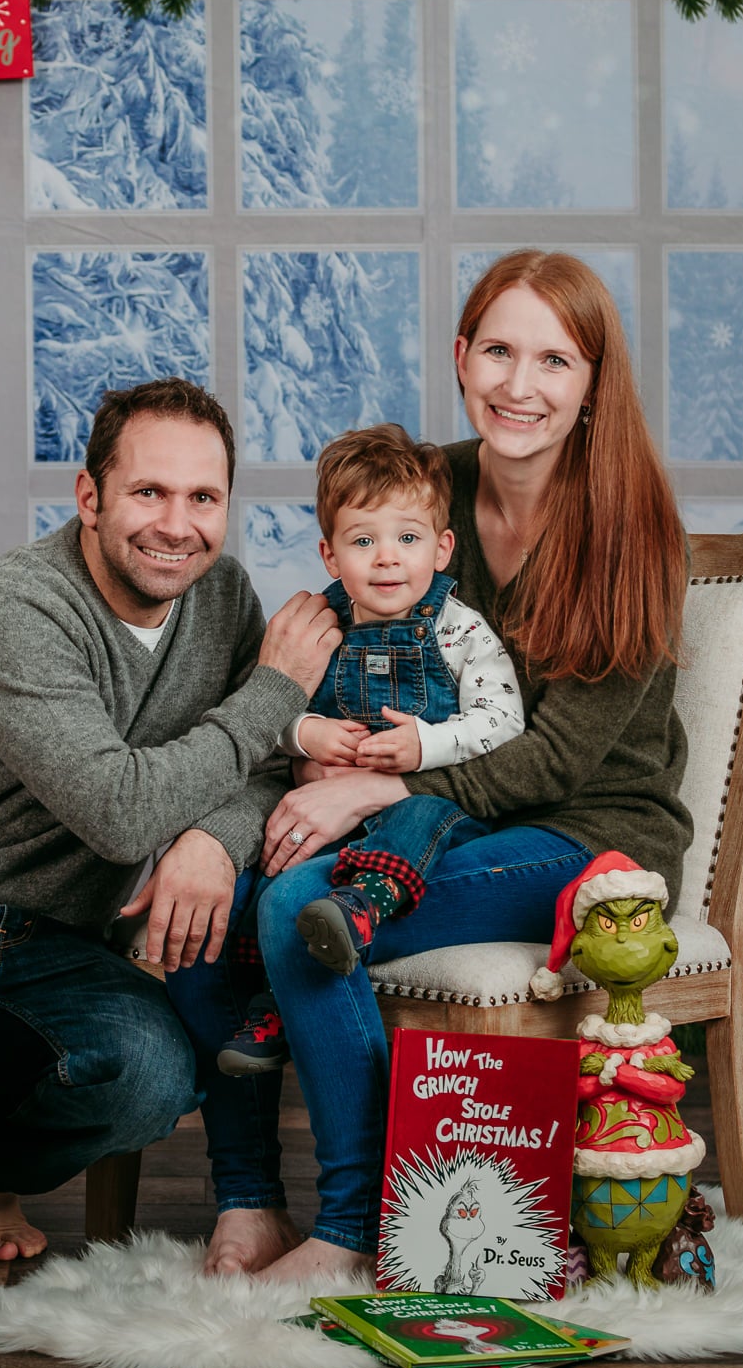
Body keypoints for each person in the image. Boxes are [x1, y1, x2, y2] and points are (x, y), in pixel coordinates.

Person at [167, 250, 692, 1283]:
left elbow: (556, 760)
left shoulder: (633, 531)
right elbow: (353, 606)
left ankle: (354, 1224)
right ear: (460, 358)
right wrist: (300, 708)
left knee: (298, 913)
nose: (519, 384)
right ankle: (247, 1198)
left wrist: (383, 784)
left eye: (554, 360)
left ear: (592, 385)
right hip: (438, 818)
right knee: (211, 902)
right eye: (497, 350)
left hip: (585, 839)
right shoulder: (425, 484)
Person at [0, 378, 340, 1289]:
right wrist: (277, 692)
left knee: (157, 1076)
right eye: (148, 493)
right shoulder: (17, 606)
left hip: (57, 946)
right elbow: (118, 806)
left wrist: (210, 840)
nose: (177, 524)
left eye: (203, 498)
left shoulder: (223, 598)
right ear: (90, 498)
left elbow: (265, 773)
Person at [215, 423, 524, 1076]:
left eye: (407, 539)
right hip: (337, 813)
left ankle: (367, 905)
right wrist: (306, 733)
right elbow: (262, 716)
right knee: (277, 853)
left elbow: (504, 720)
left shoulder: (459, 628)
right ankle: (269, 1008)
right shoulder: (320, 625)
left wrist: (425, 744)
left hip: (434, 810)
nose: (387, 558)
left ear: (441, 549)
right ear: (331, 555)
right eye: (364, 541)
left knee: (413, 816)